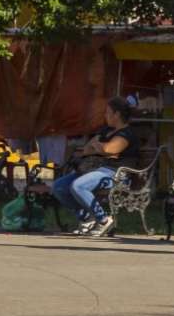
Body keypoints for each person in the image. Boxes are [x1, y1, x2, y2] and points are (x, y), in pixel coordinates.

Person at [50, 96, 135, 237]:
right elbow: (87, 148)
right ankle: (87, 218)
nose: (105, 115)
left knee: (78, 186)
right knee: (58, 187)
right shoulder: (106, 130)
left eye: (108, 112)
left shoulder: (127, 134)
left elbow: (109, 149)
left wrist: (100, 147)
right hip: (94, 169)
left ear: (117, 114)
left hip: (114, 173)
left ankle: (103, 220)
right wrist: (100, 148)